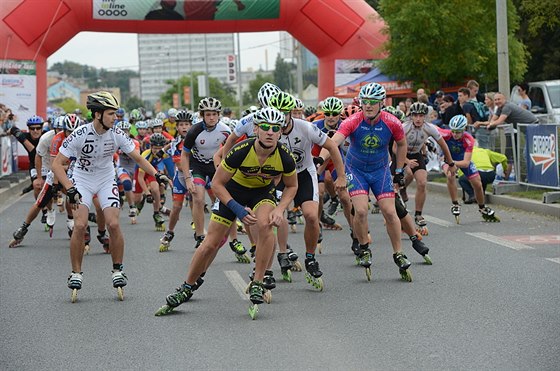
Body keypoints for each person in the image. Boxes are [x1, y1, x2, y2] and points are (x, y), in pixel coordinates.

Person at [155, 107, 297, 318]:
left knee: (266, 225)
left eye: (275, 128)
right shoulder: (241, 150)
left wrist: (280, 209)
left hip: (261, 193)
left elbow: (292, 186)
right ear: (256, 129)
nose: (270, 132)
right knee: (210, 243)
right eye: (265, 127)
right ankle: (186, 286)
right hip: (232, 192)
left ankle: (258, 281)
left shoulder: (285, 156)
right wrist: (237, 209)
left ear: (280, 132)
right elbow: (218, 184)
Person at [51, 91, 170, 302]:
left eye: (115, 113)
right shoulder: (79, 134)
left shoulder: (117, 133)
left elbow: (139, 159)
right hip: (82, 179)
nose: (115, 118)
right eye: (111, 113)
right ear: (97, 114)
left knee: (114, 224)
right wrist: (69, 187)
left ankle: (117, 269)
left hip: (106, 179)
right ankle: (76, 273)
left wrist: (157, 174)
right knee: (79, 225)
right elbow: (57, 164)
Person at [321, 82, 413, 282]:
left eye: (373, 102)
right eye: (365, 102)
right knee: (361, 211)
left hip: (380, 170)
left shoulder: (392, 122)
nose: (368, 106)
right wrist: (320, 160)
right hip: (356, 171)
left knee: (390, 211)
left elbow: (402, 143)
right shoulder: (353, 121)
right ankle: (363, 247)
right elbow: (333, 142)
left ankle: (398, 252)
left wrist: (398, 170)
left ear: (381, 103)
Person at [273, 92, 346, 290]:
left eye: (284, 114)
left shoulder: (304, 127)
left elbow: (331, 145)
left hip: (304, 174)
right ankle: (282, 253)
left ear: (290, 114)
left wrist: (341, 176)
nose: (279, 119)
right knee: (278, 215)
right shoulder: (269, 131)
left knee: (311, 216)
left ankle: (310, 257)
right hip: (280, 177)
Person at [181, 97, 231, 249]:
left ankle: (231, 236)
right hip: (198, 166)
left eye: (214, 114)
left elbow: (233, 149)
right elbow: (185, 155)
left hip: (215, 165)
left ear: (218, 115)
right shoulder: (194, 131)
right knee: (198, 198)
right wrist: (188, 179)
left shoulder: (225, 130)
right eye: (208, 114)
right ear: (202, 115)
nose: (211, 117)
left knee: (224, 198)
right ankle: (199, 235)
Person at [400, 102, 456, 235]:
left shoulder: (429, 128)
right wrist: (406, 161)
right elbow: (394, 148)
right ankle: (401, 192)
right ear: (411, 116)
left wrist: (451, 163)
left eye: (421, 116)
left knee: (422, 182)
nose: (418, 119)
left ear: (425, 117)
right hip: (402, 154)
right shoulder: (404, 127)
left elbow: (443, 145)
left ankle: (418, 214)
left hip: (416, 154)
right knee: (407, 174)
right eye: (415, 116)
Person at [439, 115, 500, 223]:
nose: (454, 134)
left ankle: (482, 207)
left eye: (458, 132)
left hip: (460, 161)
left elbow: (466, 163)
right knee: (450, 175)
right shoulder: (445, 134)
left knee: (477, 183)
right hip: (447, 159)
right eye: (453, 131)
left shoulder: (468, 139)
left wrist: (453, 163)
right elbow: (430, 127)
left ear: (464, 130)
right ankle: (455, 204)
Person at [485, 92, 539, 179]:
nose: (497, 101)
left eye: (499, 99)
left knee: (527, 154)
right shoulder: (499, 108)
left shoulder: (507, 107)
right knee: (526, 154)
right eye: (495, 100)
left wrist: (490, 125)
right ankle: (529, 177)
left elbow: (499, 121)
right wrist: (484, 124)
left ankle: (532, 177)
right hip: (526, 130)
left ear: (504, 99)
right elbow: (492, 120)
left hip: (533, 127)